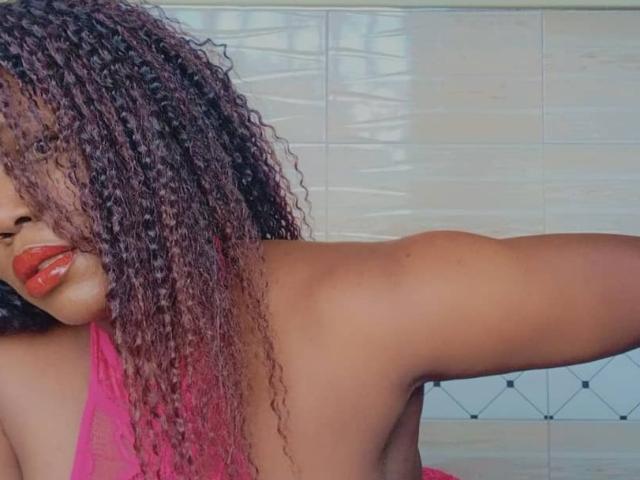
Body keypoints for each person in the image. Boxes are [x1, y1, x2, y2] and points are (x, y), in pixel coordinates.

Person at [0, 1, 638, 479]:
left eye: (40, 148)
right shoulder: (12, 375)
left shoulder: (361, 307)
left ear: (148, 133)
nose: (6, 214)